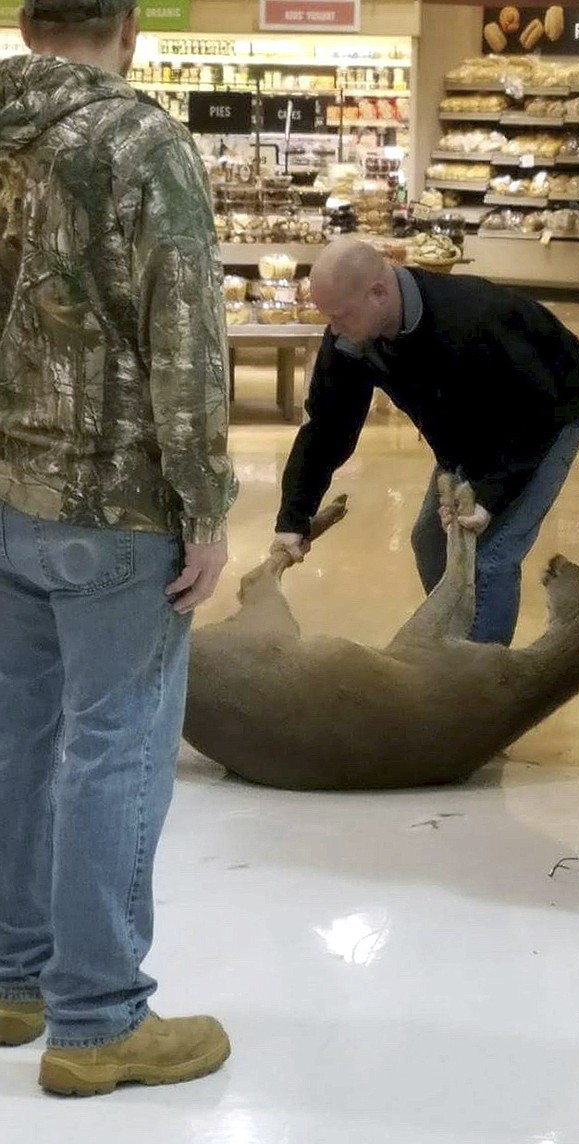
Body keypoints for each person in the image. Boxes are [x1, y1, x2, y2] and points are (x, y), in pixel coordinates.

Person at [0, 0, 238, 1096]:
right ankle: (98, 1021)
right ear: (129, 27)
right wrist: (207, 502)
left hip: (6, 494)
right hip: (112, 504)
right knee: (115, 743)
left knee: (20, 735)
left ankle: (14, 978)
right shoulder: (142, 143)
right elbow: (183, 335)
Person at [272, 238, 579, 646]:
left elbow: (535, 410)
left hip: (549, 412)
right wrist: (294, 518)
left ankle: (476, 692)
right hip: (466, 428)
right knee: (430, 541)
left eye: (341, 316)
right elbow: (327, 427)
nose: (334, 330)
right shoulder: (353, 336)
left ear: (378, 293)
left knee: (490, 557)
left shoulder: (470, 319)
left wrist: (490, 495)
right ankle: (454, 644)